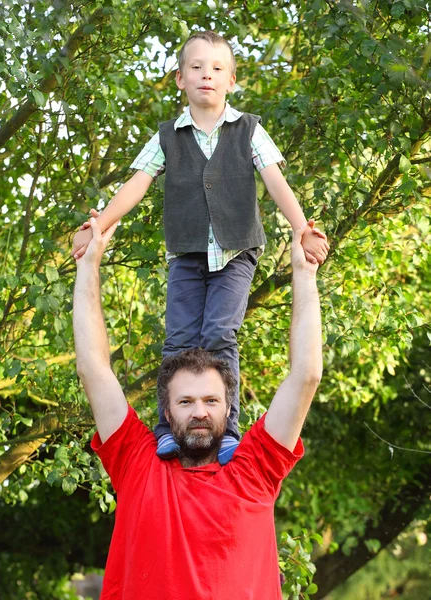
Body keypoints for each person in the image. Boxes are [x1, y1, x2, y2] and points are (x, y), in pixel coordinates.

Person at [71, 30, 329, 464]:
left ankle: (228, 428)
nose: (205, 75)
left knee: (218, 335)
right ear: (179, 79)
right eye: (196, 67)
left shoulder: (249, 130)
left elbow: (276, 183)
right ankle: (164, 427)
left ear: (231, 80)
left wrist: (302, 227)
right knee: (179, 339)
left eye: (216, 69)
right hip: (187, 254)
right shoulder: (168, 136)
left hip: (236, 253)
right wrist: (99, 224)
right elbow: (136, 184)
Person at [73, 217, 322, 600]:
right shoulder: (138, 466)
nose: (200, 412)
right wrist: (87, 265)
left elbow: (306, 376)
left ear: (229, 407)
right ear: (167, 413)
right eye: (186, 402)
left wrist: (304, 275)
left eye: (211, 400)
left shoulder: (255, 471)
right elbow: (93, 368)